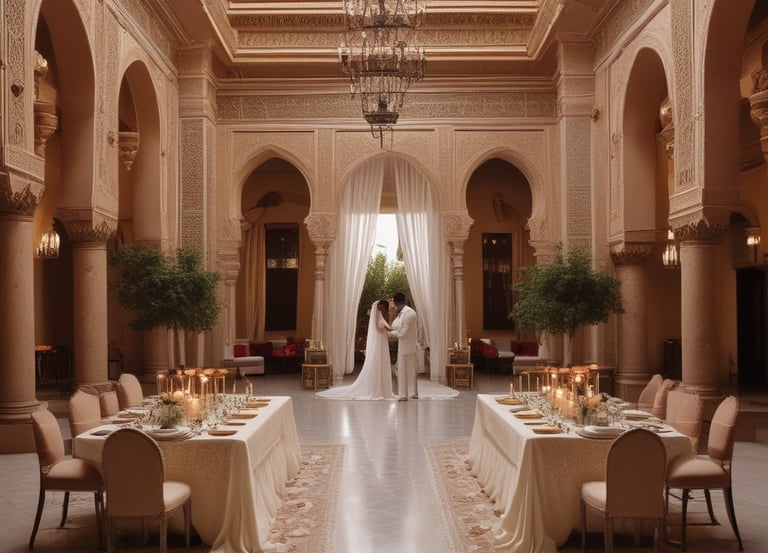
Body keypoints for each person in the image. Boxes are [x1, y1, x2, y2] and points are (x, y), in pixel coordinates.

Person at [316, 299, 397, 400]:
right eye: (382, 306)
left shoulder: (379, 316)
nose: (383, 308)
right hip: (380, 344)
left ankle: (381, 389)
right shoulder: (378, 317)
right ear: (379, 306)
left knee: (380, 363)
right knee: (378, 363)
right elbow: (383, 328)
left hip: (381, 344)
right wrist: (388, 324)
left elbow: (385, 327)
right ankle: (377, 389)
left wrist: (388, 322)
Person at [389, 292, 418, 401]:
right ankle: (411, 393)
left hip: (407, 347)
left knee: (404, 371)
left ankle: (404, 395)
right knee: (407, 370)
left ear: (398, 303)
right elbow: (394, 326)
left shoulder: (409, 314)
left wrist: (389, 334)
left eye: (394, 304)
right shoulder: (402, 313)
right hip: (405, 346)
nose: (394, 307)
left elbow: (402, 333)